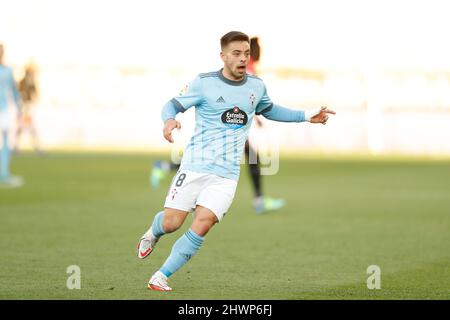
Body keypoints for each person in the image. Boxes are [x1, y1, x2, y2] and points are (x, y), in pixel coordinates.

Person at [137, 31, 335, 291]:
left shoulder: (256, 85)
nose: (243, 58)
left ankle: (161, 276)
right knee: (172, 223)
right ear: (223, 56)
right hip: (195, 167)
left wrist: (307, 115)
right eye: (236, 53)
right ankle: (153, 233)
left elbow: (270, 108)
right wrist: (169, 120)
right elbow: (172, 105)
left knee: (204, 222)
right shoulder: (203, 82)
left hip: (226, 175)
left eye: (246, 53)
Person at [150, 36, 285, 214]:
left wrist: (257, 117)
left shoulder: (243, 66)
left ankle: (166, 166)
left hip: (233, 124)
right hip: (229, 126)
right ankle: (258, 200)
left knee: (241, 155)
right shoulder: (247, 68)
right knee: (241, 156)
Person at [0, 44, 23, 187]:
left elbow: (14, 92)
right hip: (4, 112)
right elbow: (14, 93)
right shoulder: (7, 71)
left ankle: (4, 173)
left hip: (5, 112)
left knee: (7, 143)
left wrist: (19, 109)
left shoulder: (8, 70)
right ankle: (4, 173)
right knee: (6, 143)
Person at [14, 61, 42, 154]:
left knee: (31, 128)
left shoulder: (32, 82)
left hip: (29, 108)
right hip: (23, 107)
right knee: (21, 128)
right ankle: (17, 147)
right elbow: (18, 92)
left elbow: (36, 94)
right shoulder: (22, 82)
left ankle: (37, 147)